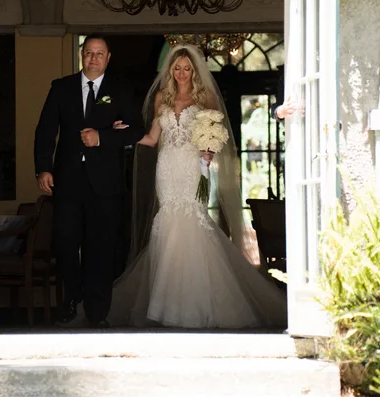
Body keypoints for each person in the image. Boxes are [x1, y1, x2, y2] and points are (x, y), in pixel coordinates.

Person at [106, 44, 287, 329]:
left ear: (194, 71)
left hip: (193, 167)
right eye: (176, 68)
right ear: (170, 70)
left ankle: (197, 303)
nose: (181, 73)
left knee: (193, 219)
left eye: (186, 68)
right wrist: (124, 134)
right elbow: (153, 139)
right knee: (167, 222)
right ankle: (167, 305)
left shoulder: (206, 98)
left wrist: (209, 152)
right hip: (167, 167)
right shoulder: (161, 99)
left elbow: (217, 134)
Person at [33, 35, 144, 328]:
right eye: (89, 53)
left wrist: (103, 137)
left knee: (101, 247)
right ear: (81, 55)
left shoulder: (120, 88)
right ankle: (71, 299)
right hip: (67, 180)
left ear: (108, 57)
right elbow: (45, 131)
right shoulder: (61, 87)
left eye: (99, 53)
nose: (93, 58)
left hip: (105, 183)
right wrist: (43, 169)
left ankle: (97, 312)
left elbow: (135, 131)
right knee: (66, 243)